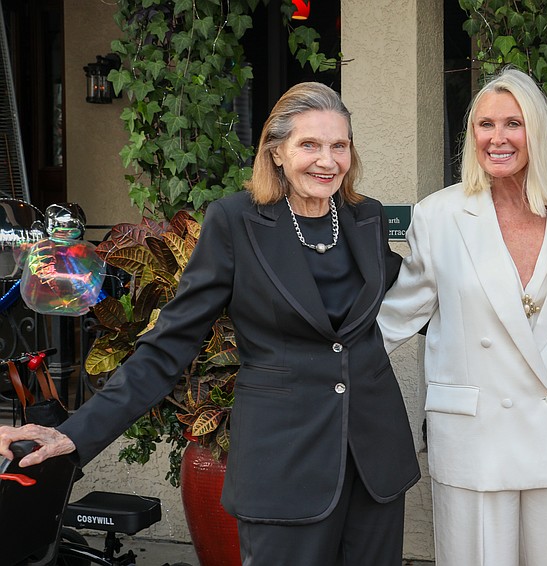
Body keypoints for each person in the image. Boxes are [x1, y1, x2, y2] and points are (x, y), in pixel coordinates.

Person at [0, 82, 420, 566]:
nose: (327, 160)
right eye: (310, 145)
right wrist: (77, 432)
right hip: (284, 465)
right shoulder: (235, 222)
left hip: (374, 463)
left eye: (339, 146)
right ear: (277, 152)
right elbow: (169, 345)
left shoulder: (363, 219)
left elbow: (419, 296)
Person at [378, 67, 547, 565]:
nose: (497, 138)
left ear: (536, 130)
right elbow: (394, 319)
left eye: (513, 123)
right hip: (475, 442)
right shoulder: (438, 216)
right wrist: (316, 378)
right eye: (484, 125)